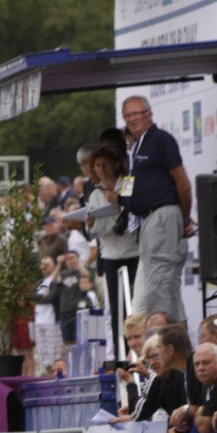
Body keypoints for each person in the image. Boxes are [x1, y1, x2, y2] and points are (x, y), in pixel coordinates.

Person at [119, 95, 196, 322]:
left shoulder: (160, 139)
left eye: (137, 113)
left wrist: (184, 218)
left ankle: (164, 340)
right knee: (166, 285)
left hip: (162, 215)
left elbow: (183, 183)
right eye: (127, 115)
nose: (132, 119)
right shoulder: (137, 147)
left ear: (149, 114)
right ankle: (179, 344)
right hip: (149, 219)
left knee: (159, 284)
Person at [88, 145, 138, 353]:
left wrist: (105, 223)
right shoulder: (95, 193)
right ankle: (119, 352)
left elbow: (129, 219)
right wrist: (98, 224)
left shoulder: (127, 184)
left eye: (104, 164)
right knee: (115, 309)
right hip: (110, 255)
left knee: (134, 305)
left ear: (116, 164)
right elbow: (96, 230)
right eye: (97, 165)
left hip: (133, 251)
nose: (101, 169)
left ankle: (136, 350)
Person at [169, 342, 217, 433]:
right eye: (197, 364)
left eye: (206, 363)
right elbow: (195, 416)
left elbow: (203, 426)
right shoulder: (206, 383)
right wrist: (174, 430)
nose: (200, 368)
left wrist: (191, 410)